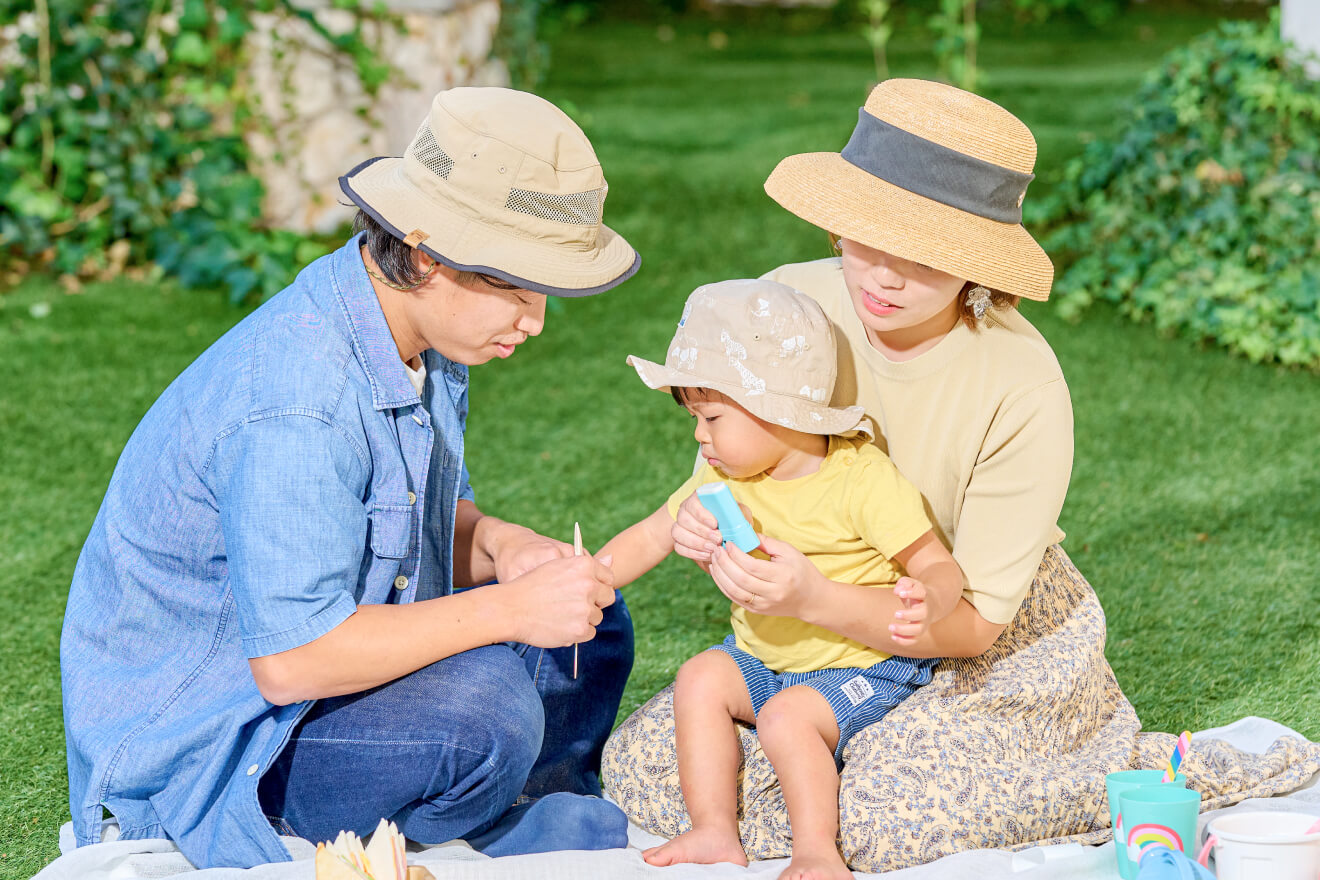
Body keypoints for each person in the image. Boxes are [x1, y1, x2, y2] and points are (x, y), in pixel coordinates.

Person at [60, 87, 640, 870]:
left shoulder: (418, 330)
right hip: (224, 748)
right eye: (518, 285)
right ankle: (481, 824)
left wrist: (507, 548)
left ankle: (519, 807)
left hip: (313, 682)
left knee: (591, 610)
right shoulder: (298, 403)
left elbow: (412, 522)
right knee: (490, 708)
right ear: (429, 255)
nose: (535, 320)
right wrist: (507, 608)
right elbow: (294, 660)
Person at [601, 78, 1078, 869]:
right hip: (799, 625)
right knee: (640, 772)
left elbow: (971, 620)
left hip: (952, 623)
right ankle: (810, 765)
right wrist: (715, 542)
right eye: (863, 239)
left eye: (922, 256)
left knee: (891, 824)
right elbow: (731, 485)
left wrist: (822, 598)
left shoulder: (1021, 385)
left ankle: (851, 778)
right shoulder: (792, 304)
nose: (882, 278)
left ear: (976, 267)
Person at [600, 278, 966, 880]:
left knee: (786, 718)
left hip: (862, 663)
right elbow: (649, 535)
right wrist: (593, 578)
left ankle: (818, 851)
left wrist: (930, 596)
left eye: (712, 416)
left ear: (778, 410)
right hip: (762, 658)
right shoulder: (729, 484)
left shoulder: (858, 480)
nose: (699, 436)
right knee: (700, 677)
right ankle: (715, 829)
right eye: (696, 417)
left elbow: (935, 562)